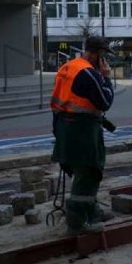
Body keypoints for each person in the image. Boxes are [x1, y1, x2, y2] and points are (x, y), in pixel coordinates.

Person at [50, 36, 115, 235]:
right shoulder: (87, 73)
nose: (106, 61)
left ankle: (92, 210)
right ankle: (77, 223)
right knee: (88, 174)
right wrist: (106, 77)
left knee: (82, 172)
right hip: (82, 130)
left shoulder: (70, 67)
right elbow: (105, 101)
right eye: (104, 56)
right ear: (98, 54)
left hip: (65, 127)